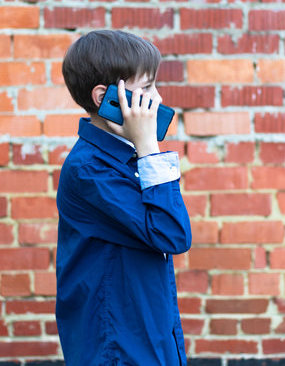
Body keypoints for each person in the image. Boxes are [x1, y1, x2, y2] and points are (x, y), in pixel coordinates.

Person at [55, 30, 192, 366]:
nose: (157, 98)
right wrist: (148, 147)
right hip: (117, 347)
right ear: (104, 97)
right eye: (146, 88)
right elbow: (172, 233)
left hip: (147, 334)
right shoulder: (90, 170)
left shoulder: (118, 158)